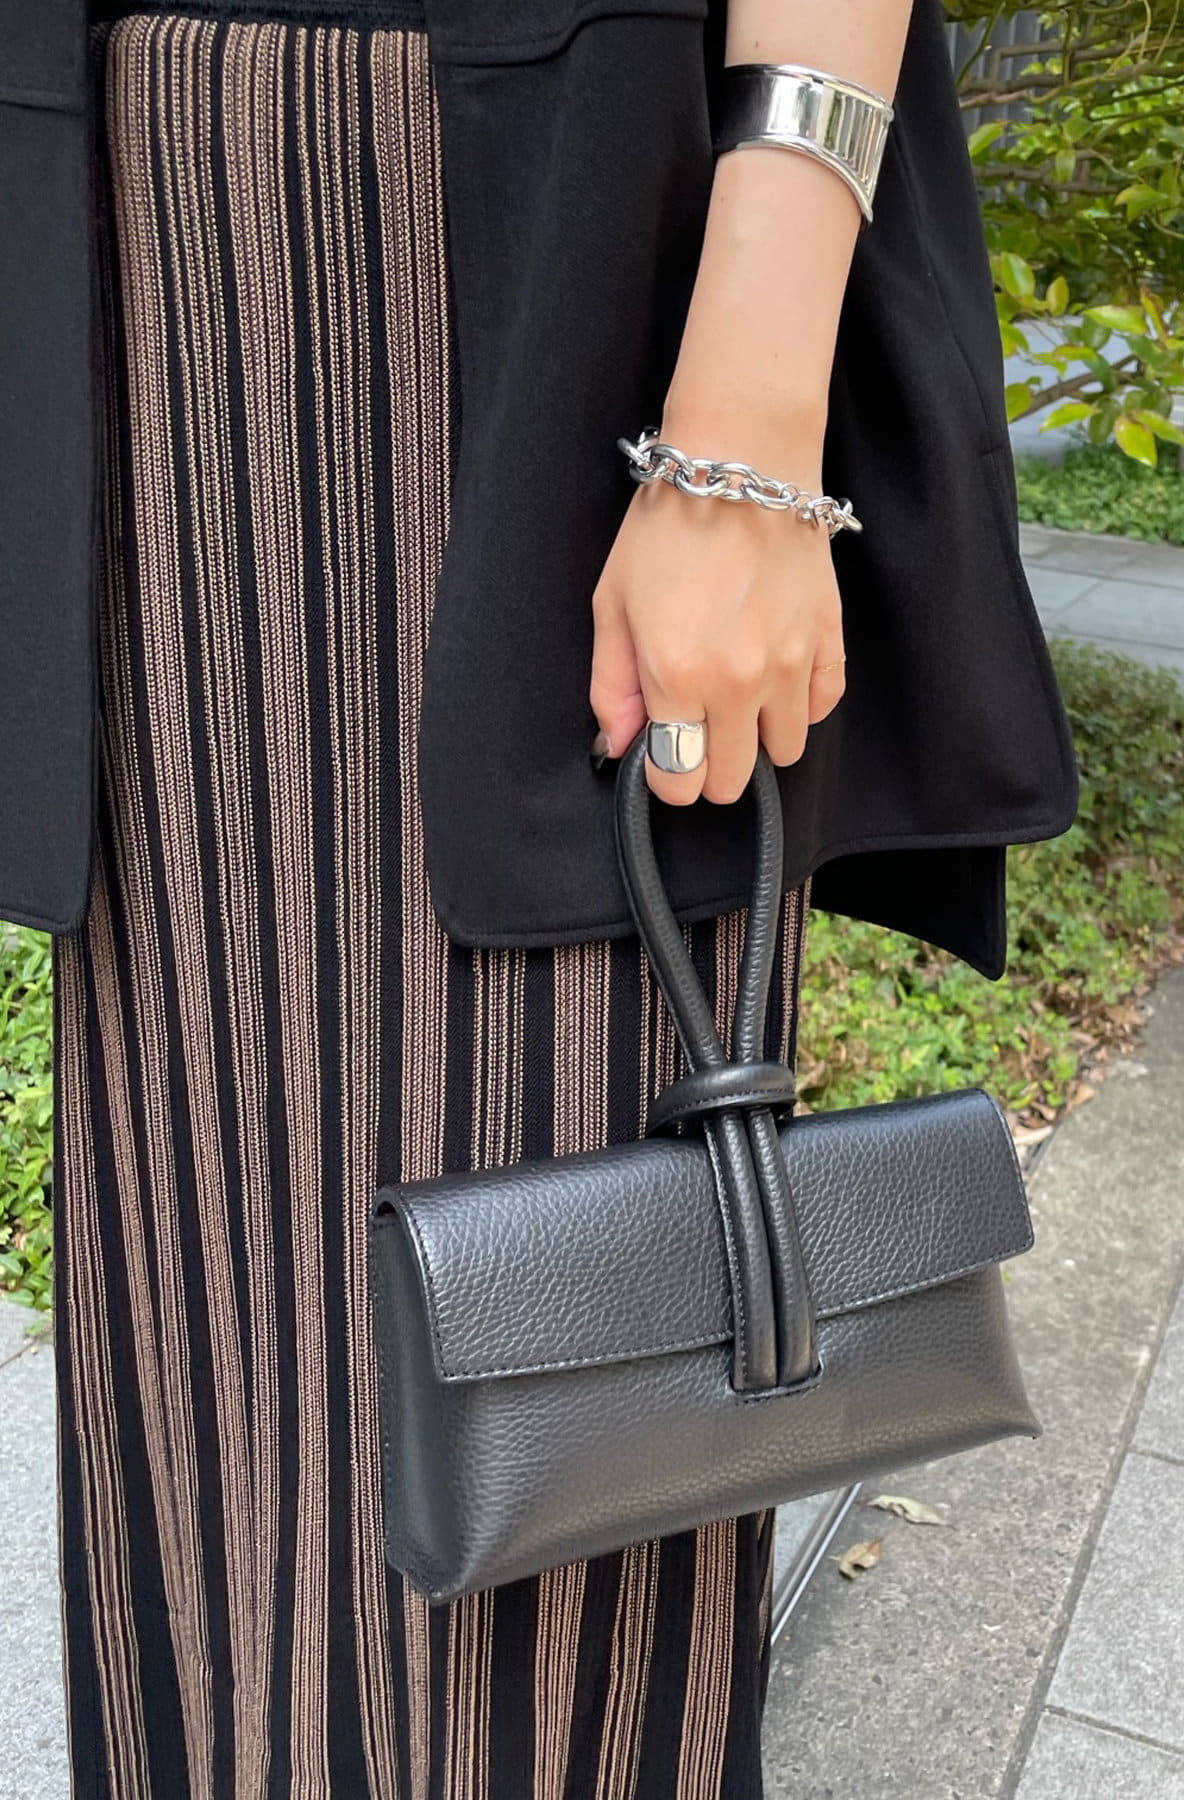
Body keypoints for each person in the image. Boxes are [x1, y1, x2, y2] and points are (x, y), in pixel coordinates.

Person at [0, 0, 1077, 1792]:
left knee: (559, 1396)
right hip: (130, 254)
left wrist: (746, 443)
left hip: (531, 260)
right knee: (194, 1387)